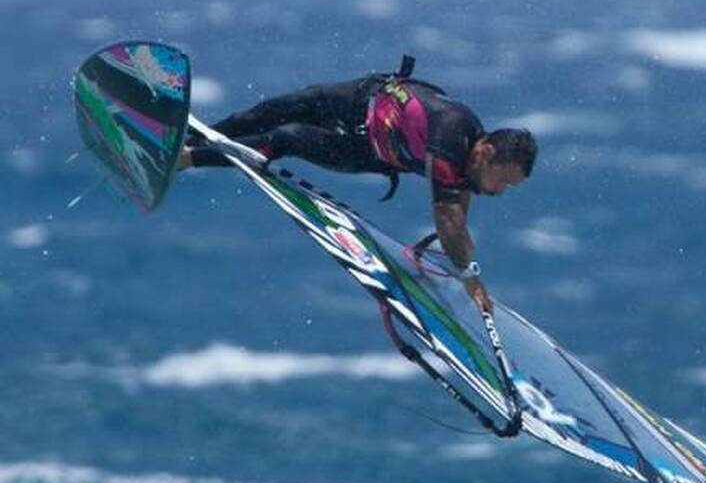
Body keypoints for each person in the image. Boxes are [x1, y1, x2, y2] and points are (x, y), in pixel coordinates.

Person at [180, 56, 537, 316]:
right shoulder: (453, 134)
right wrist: (468, 274)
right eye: (503, 179)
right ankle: (190, 137)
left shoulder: (467, 159)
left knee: (285, 138)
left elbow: (455, 211)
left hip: (364, 149)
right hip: (359, 99)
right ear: (485, 151)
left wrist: (463, 259)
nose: (500, 190)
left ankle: (187, 159)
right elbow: (449, 220)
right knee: (276, 108)